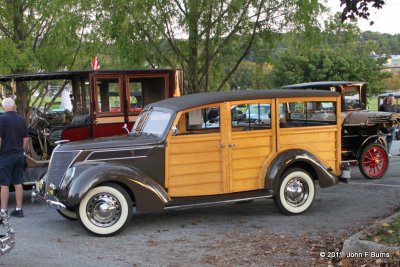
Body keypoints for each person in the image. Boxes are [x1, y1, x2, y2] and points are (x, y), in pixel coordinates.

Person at [0, 98, 29, 217]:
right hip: (19, 155)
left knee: (4, 184)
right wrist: (22, 151)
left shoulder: (1, 119)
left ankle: (3, 211)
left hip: (5, 155)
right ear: (14, 106)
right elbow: (26, 139)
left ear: (3, 107)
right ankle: (19, 209)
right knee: (18, 183)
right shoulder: (21, 119)